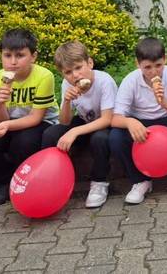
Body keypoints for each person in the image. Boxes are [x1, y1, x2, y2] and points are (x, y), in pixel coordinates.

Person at [0, 28, 59, 205]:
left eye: (20, 55)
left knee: (24, 143)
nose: (13, 62)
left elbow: (35, 118)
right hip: (8, 121)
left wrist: (7, 127)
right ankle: (4, 182)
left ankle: (26, 181)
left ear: (33, 56)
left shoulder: (43, 76)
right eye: (7, 55)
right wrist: (0, 103)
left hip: (40, 122)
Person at [110, 37, 167, 202]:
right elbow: (115, 118)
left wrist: (165, 103)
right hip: (142, 124)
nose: (153, 72)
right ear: (138, 64)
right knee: (115, 137)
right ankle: (140, 181)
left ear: (165, 59)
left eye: (158, 65)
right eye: (147, 67)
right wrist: (130, 122)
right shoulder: (131, 80)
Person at [41, 41, 117, 208]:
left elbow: (107, 119)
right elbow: (65, 121)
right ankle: (52, 179)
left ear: (89, 63)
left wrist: (74, 132)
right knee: (51, 134)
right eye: (68, 72)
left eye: (78, 68)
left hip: (107, 124)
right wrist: (67, 102)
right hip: (85, 121)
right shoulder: (67, 84)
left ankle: (99, 182)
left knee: (100, 138)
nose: (75, 75)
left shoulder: (104, 81)